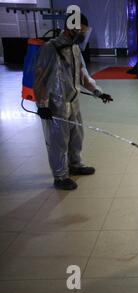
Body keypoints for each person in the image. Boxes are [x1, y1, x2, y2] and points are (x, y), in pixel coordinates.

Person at [33, 13, 113, 191]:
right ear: (70, 28)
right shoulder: (50, 48)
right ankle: (60, 176)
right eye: (81, 30)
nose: (83, 34)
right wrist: (42, 105)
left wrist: (98, 92)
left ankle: (75, 165)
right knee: (58, 142)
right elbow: (39, 79)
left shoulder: (75, 48)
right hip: (55, 106)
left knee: (77, 136)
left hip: (73, 102)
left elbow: (83, 75)